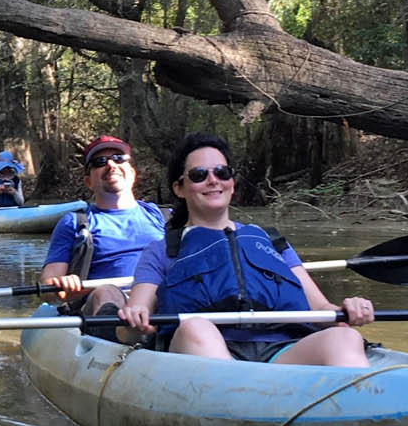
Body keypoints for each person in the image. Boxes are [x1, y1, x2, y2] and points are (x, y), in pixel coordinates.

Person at [118, 132, 375, 365]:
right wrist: (135, 320)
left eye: (221, 172)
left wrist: (348, 310)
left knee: (345, 338)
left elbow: (320, 309)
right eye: (199, 175)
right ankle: (238, 405)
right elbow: (132, 321)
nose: (212, 180)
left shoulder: (269, 240)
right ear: (179, 188)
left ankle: (361, 411)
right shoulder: (164, 249)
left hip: (283, 349)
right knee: (195, 328)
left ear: (232, 182)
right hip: (205, 349)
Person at [38, 135, 165, 333]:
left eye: (119, 158)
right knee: (106, 292)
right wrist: (62, 286)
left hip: (157, 296)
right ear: (88, 181)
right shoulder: (75, 222)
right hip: (108, 301)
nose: (111, 165)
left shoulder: (159, 216)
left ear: (132, 173)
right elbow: (48, 285)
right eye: (100, 162)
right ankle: (125, 335)